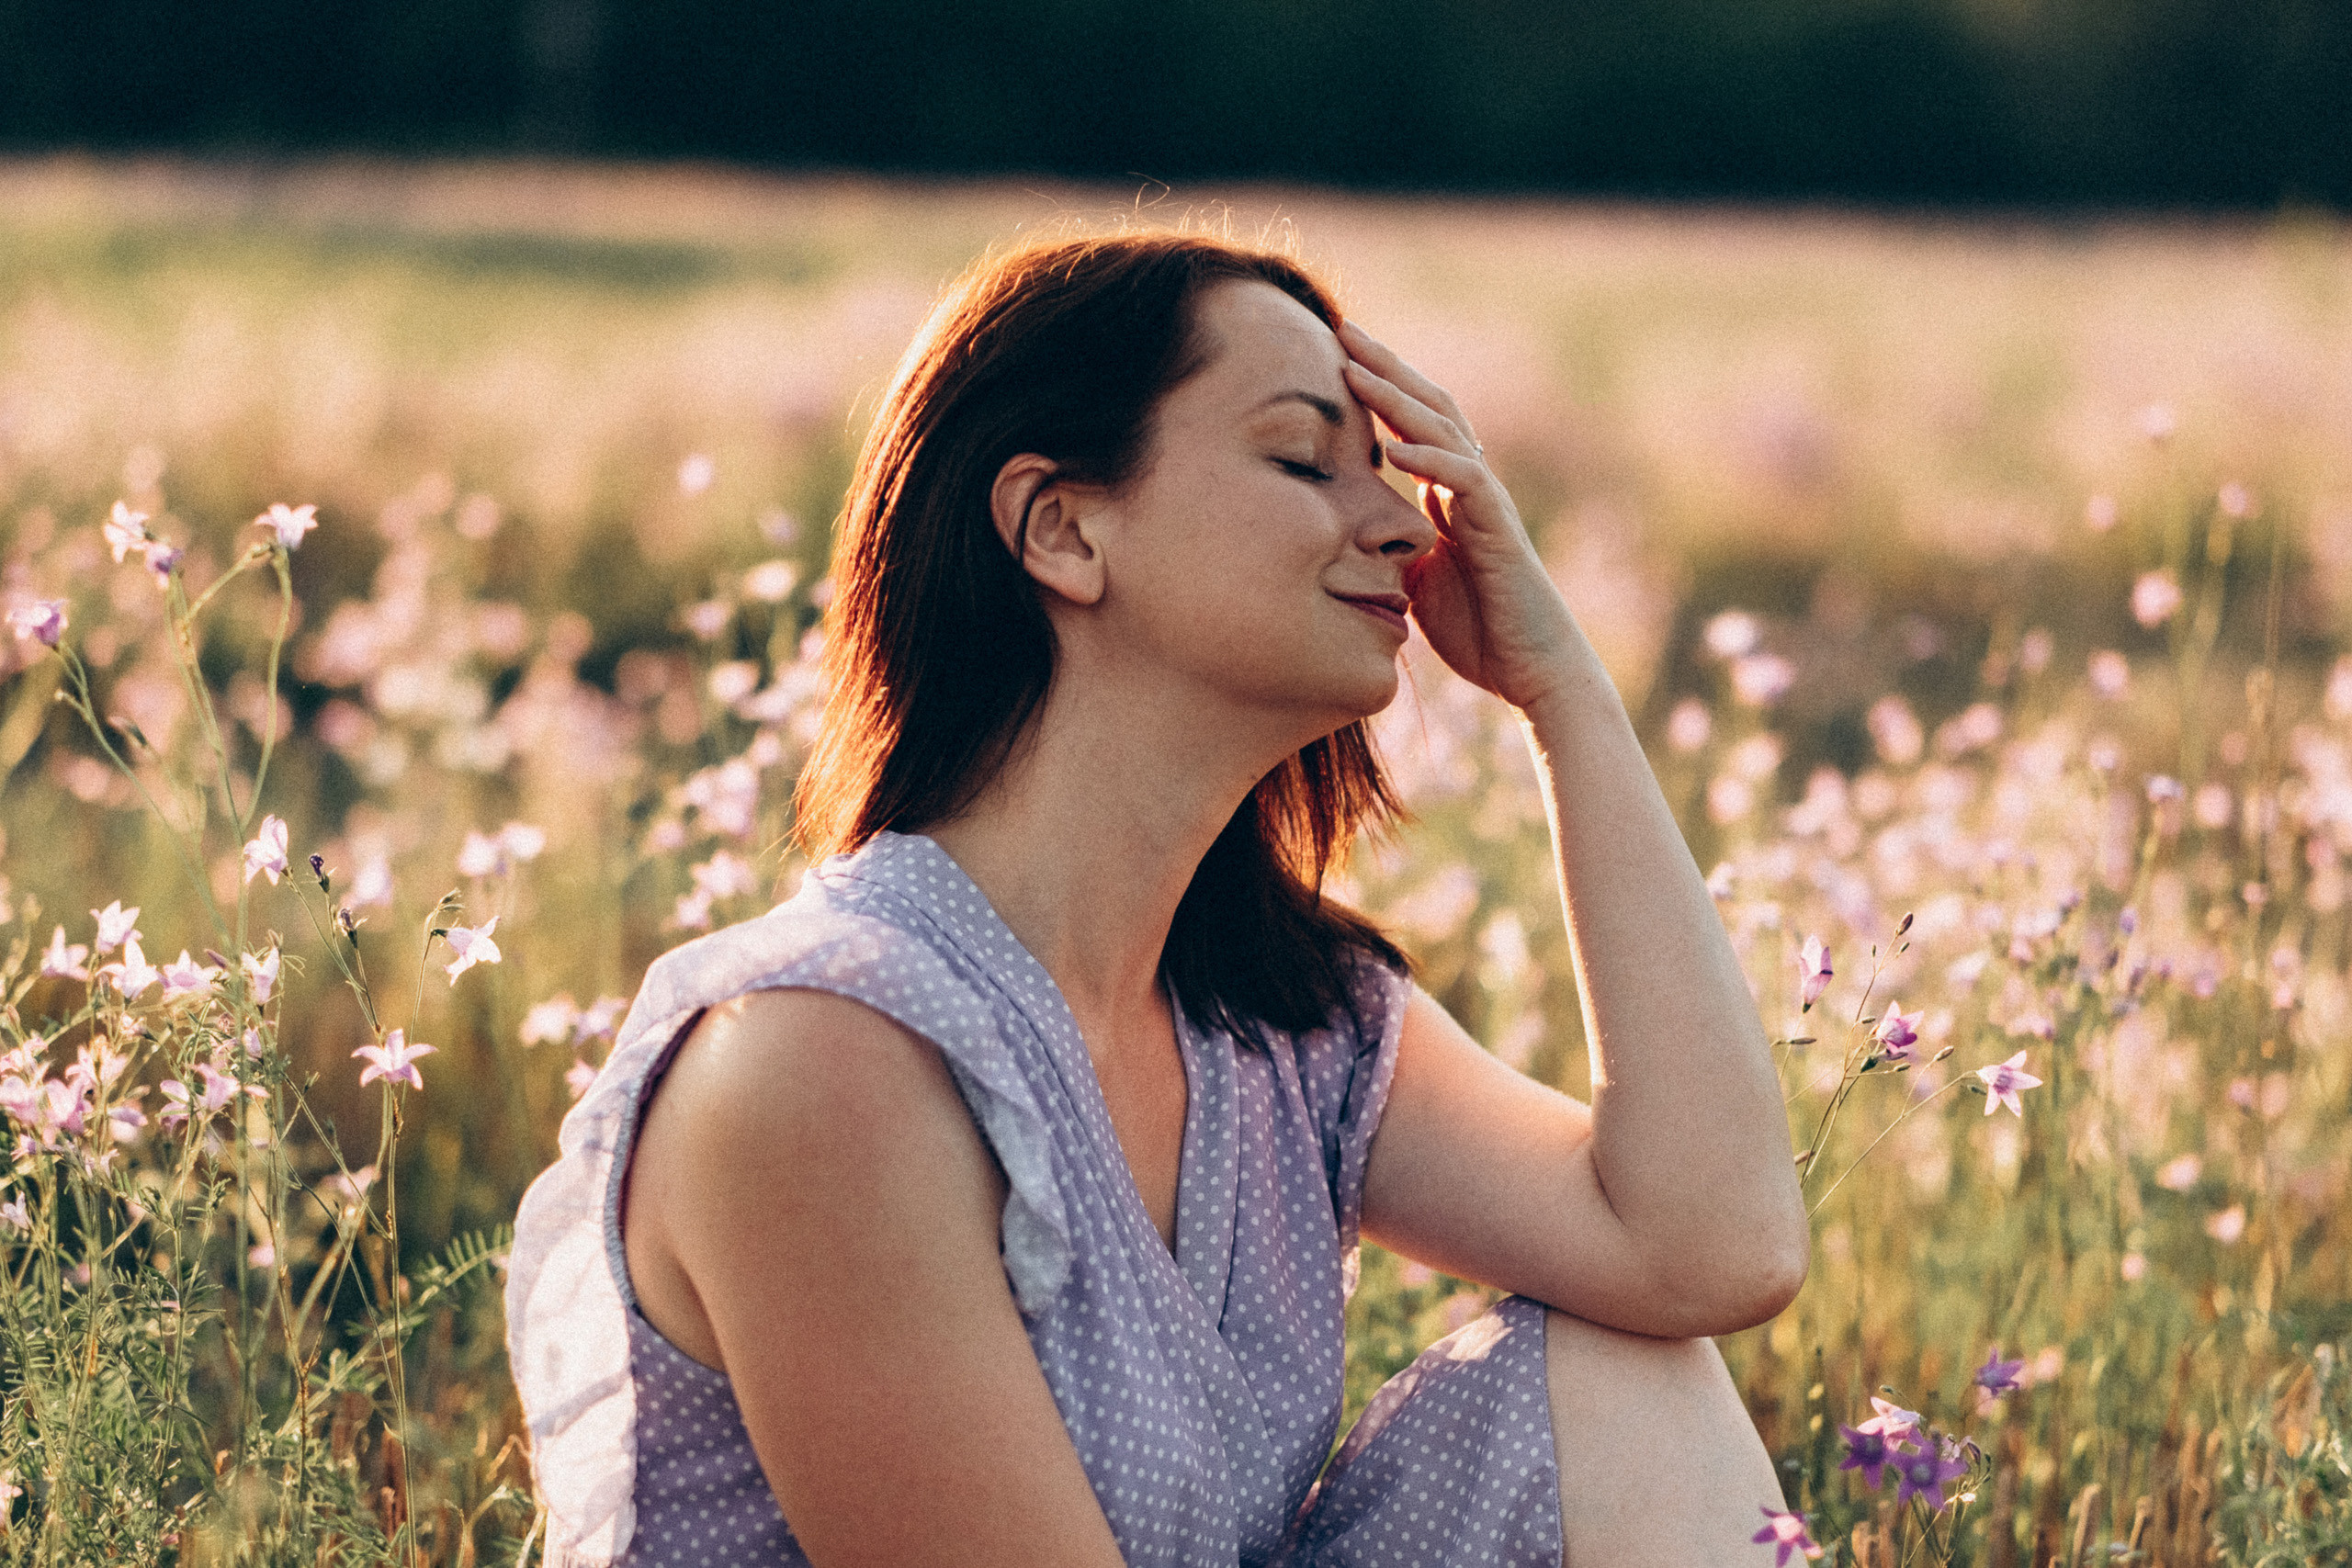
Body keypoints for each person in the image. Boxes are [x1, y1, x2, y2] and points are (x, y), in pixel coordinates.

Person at [505, 227, 1811, 1567]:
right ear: (1063, 529)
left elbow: (1708, 1249)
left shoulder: (1282, 1021)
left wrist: (1566, 696)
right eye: (1306, 460)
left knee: (1630, 1379)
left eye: (1390, 473)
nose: (1404, 527)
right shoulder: (819, 1060)